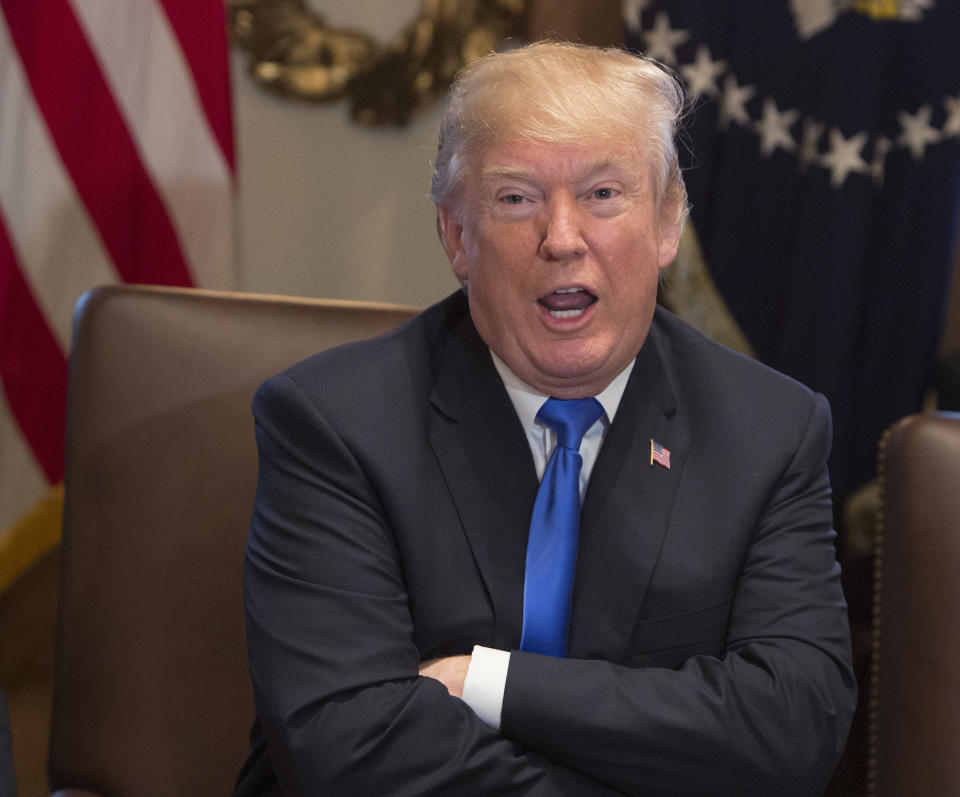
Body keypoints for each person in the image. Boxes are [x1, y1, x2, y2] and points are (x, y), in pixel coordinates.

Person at [235, 42, 856, 796]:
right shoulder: (333, 424)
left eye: (602, 194)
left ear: (666, 225)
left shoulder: (772, 431)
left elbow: (795, 725)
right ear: (458, 236)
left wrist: (490, 683)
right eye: (516, 197)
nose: (562, 239)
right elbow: (345, 745)